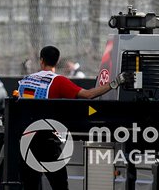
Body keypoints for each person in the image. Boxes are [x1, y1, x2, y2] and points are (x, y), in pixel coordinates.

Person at [17, 46, 132, 190]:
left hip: (25, 142)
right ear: (57, 61)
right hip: (47, 143)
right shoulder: (58, 81)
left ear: (41, 60)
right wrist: (115, 82)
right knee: (59, 185)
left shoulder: (26, 80)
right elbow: (89, 95)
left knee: (30, 185)